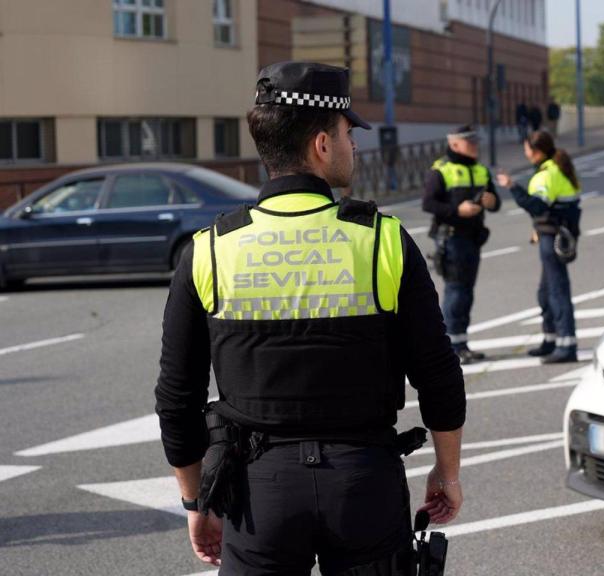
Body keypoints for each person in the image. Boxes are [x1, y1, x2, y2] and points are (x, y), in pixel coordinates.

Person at [155, 61, 465, 575]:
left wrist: (195, 502)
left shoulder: (210, 250)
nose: (354, 146)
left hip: (258, 494)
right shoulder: (382, 240)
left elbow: (176, 397)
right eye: (348, 133)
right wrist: (446, 472)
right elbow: (437, 372)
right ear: (322, 145)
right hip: (364, 482)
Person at [495, 131, 581, 364]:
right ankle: (551, 339)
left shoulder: (546, 175)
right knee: (546, 293)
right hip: (556, 236)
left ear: (537, 152)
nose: (525, 153)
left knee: (557, 292)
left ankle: (567, 345)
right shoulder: (559, 168)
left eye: (527, 150)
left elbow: (537, 206)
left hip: (552, 238)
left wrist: (512, 186)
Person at [422, 125, 501, 364]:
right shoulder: (441, 170)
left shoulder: (480, 170)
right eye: (470, 142)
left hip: (473, 238)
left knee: (466, 293)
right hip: (451, 237)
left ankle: (461, 344)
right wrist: (457, 210)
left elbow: (495, 203)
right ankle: (451, 347)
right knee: (456, 292)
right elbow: (428, 204)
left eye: (476, 141)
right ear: (455, 144)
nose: (475, 146)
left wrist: (491, 200)